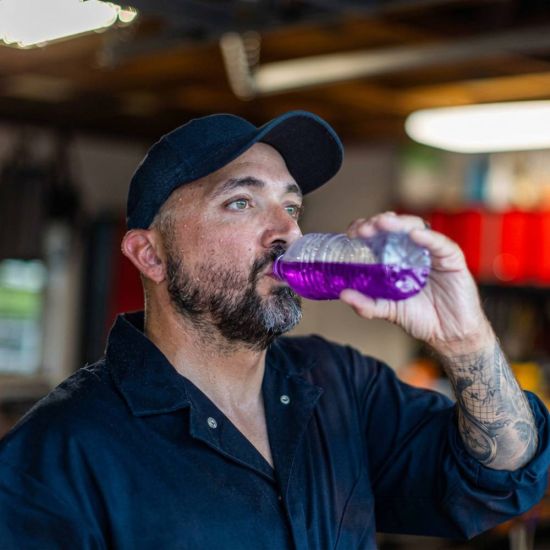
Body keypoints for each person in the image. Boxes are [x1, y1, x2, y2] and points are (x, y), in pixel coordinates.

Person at [0, 111, 548, 549]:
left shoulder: (341, 384)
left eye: (291, 205)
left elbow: (498, 480)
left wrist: (465, 339)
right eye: (241, 202)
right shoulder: (55, 455)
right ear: (150, 255)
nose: (287, 231)